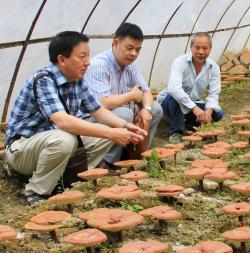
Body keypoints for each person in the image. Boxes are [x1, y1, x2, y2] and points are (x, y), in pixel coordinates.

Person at [4, 31, 147, 205]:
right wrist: (112, 134)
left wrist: (126, 126)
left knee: (106, 134)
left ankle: (70, 179)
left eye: (88, 55)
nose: (88, 62)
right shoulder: (44, 80)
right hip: (22, 149)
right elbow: (63, 121)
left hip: (51, 143)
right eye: (82, 57)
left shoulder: (76, 80)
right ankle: (35, 191)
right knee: (66, 139)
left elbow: (98, 111)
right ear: (62, 60)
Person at [84, 23, 163, 167]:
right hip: (93, 118)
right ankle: (108, 163)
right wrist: (131, 95)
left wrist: (146, 109)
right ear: (116, 43)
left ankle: (138, 154)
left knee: (156, 109)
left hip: (118, 113)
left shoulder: (129, 65)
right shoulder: (99, 66)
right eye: (129, 48)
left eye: (138, 50)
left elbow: (146, 92)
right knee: (124, 113)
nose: (134, 53)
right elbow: (102, 103)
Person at [157, 32, 224, 142]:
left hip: (193, 101)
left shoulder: (213, 67)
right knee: (176, 98)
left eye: (205, 48)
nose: (201, 52)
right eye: (197, 48)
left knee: (218, 113)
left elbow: (214, 92)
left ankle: (186, 123)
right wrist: (195, 108)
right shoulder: (180, 62)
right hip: (169, 101)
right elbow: (174, 89)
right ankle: (176, 131)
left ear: (210, 48)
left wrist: (209, 111)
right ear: (191, 47)